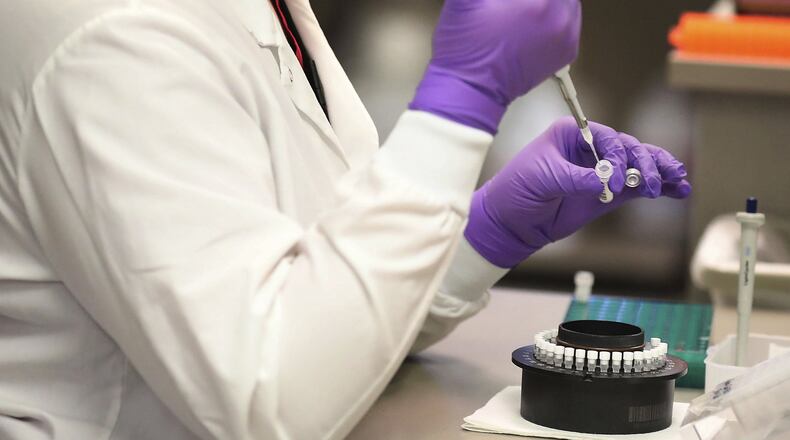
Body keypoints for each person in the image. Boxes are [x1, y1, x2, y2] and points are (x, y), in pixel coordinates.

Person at [0, 0, 690, 438]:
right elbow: (273, 402)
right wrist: (465, 97)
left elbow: (324, 305)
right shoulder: (114, 33)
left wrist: (482, 236)